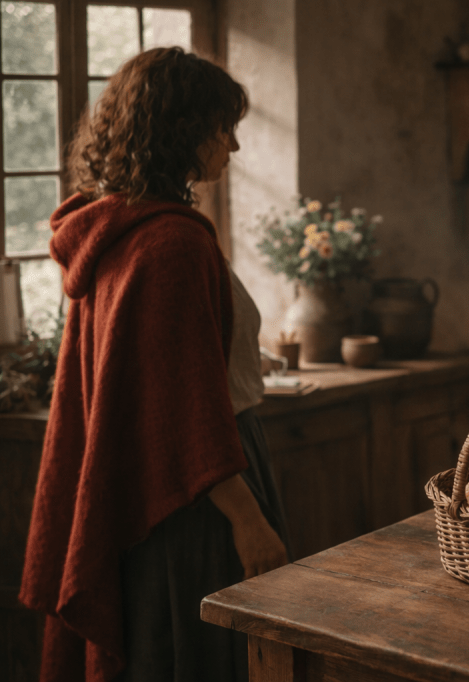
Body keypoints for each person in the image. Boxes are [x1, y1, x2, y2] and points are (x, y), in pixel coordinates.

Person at [19, 47, 290, 682]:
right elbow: (188, 407)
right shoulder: (171, 242)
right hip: (204, 492)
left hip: (159, 481)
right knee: (211, 658)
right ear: (183, 130)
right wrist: (249, 521)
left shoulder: (113, 225)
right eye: (223, 128)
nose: (234, 147)